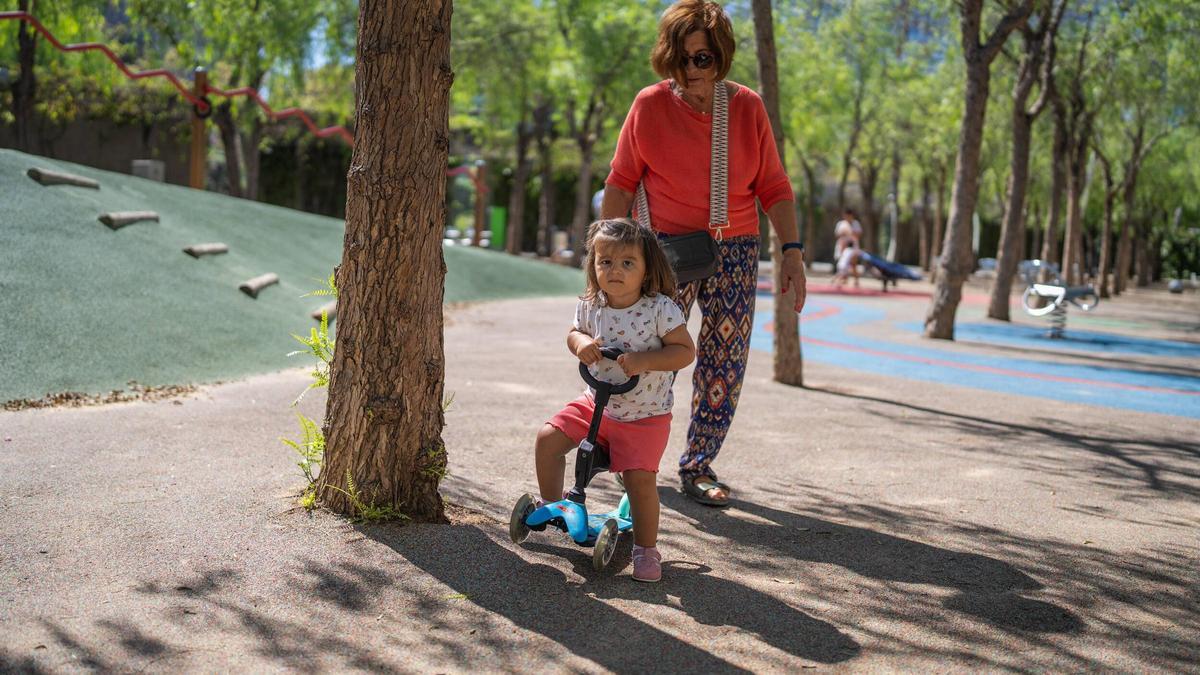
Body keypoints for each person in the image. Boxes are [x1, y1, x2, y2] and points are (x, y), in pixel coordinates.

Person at [599, 0, 806, 507]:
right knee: (649, 354)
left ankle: (697, 464)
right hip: (663, 250)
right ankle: (634, 456)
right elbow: (621, 183)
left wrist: (793, 251)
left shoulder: (747, 107)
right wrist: (603, 258)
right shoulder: (648, 105)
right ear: (669, 58)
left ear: (721, 57)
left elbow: (775, 186)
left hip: (734, 247)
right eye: (684, 58)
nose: (693, 70)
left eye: (704, 58)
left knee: (724, 359)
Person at [535, 218, 696, 583]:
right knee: (548, 440)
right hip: (596, 403)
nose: (614, 270)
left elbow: (685, 352)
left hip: (645, 414)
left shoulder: (660, 309)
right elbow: (573, 332)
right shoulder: (592, 304)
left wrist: (645, 361)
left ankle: (646, 548)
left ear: (645, 269)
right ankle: (553, 506)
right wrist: (581, 344)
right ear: (593, 265)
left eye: (627, 263)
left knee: (639, 481)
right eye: (605, 261)